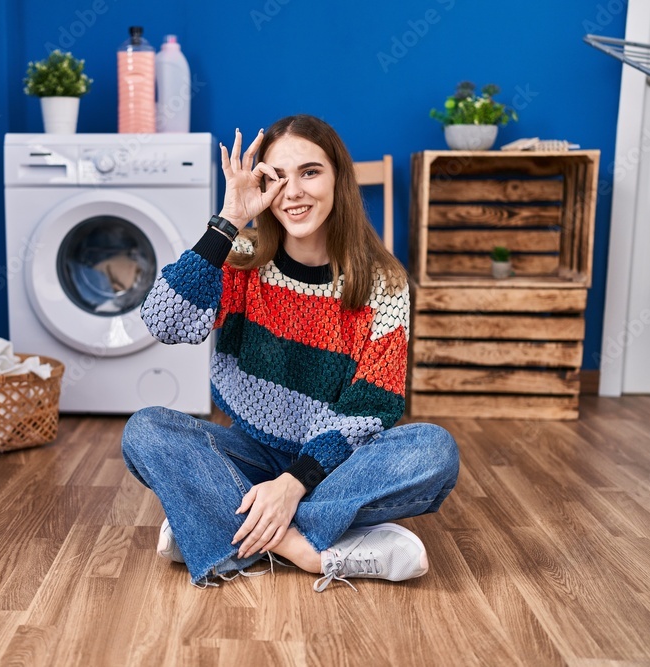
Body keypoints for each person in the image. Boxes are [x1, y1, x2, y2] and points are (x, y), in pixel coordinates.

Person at [121, 114, 459, 592]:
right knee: (146, 431)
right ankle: (304, 548)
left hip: (336, 466)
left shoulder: (384, 283)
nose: (294, 192)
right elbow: (164, 321)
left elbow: (370, 412)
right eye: (278, 177)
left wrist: (294, 484)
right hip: (251, 454)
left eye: (310, 172)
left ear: (338, 178)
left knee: (433, 450)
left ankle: (224, 527)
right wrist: (228, 220)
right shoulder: (239, 256)